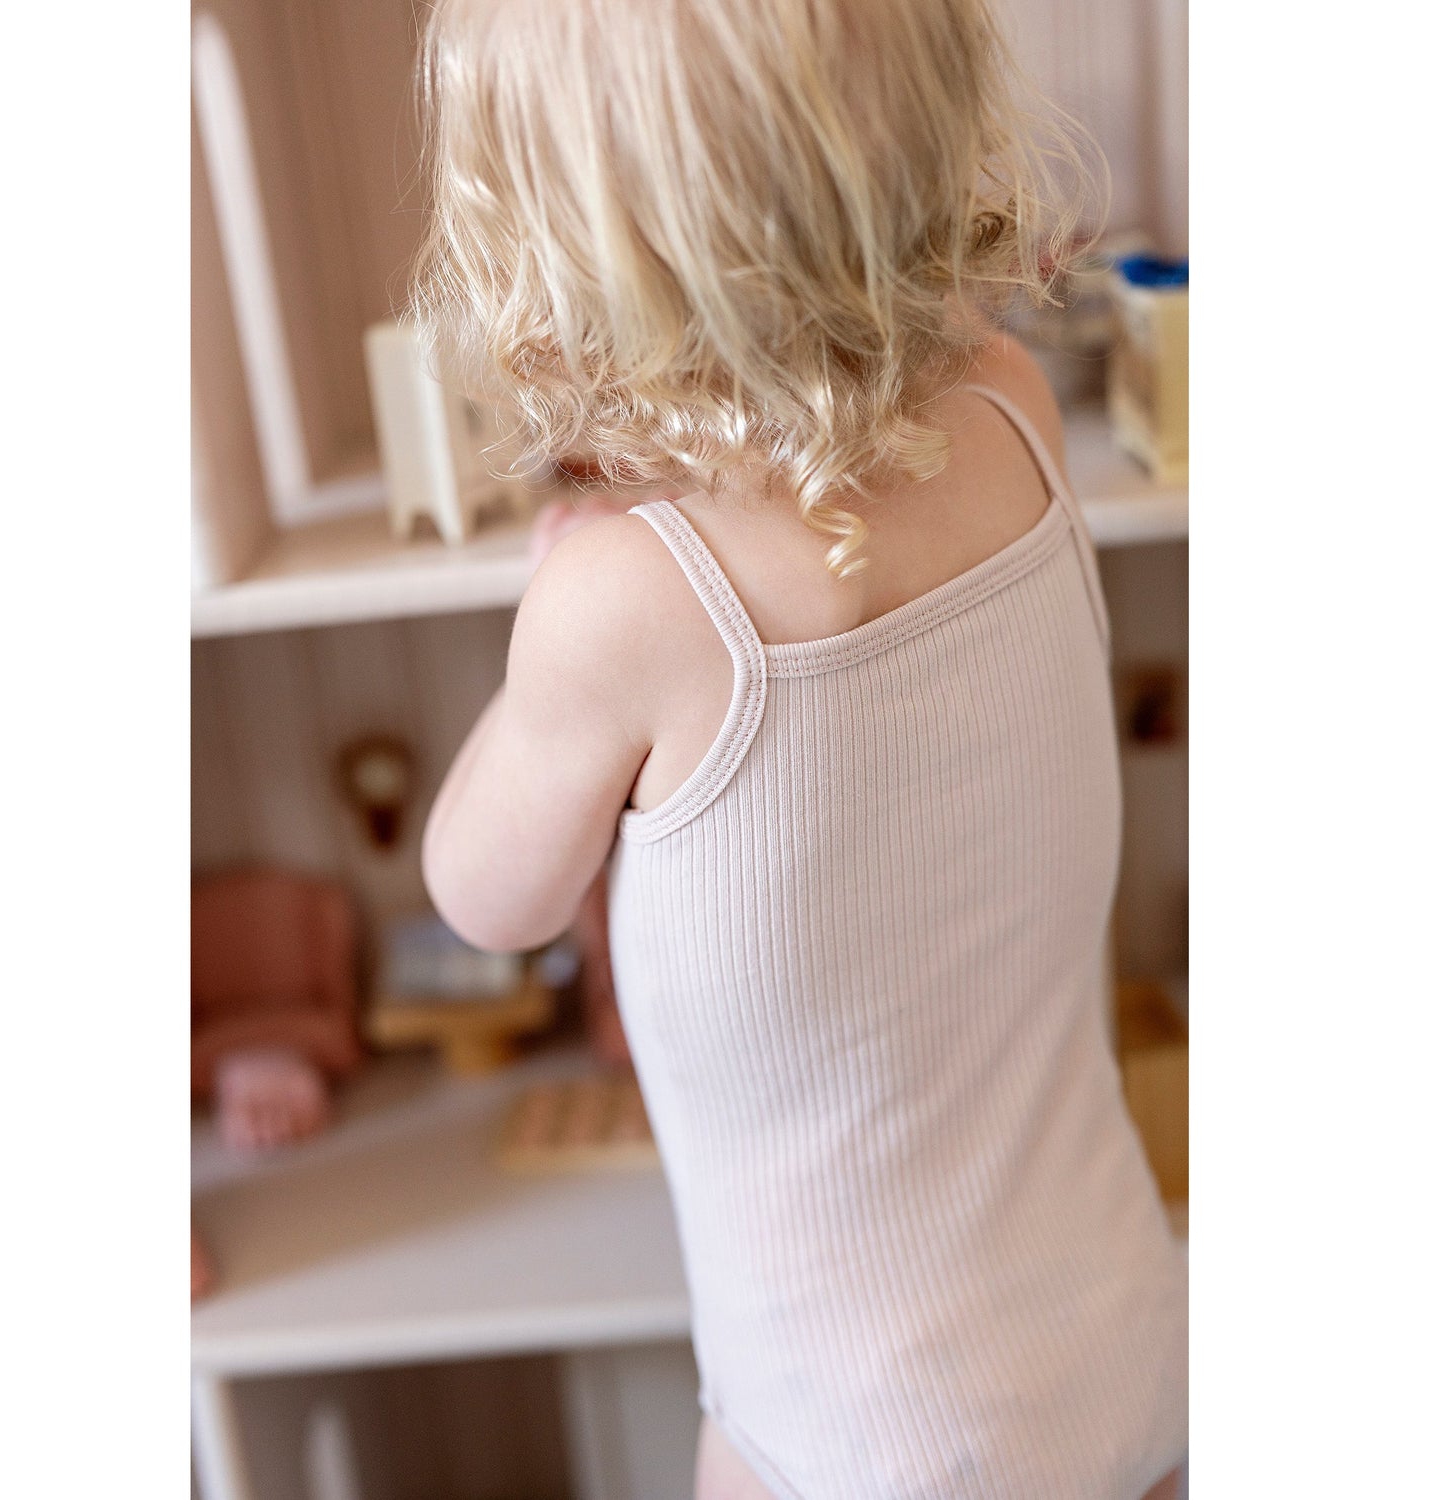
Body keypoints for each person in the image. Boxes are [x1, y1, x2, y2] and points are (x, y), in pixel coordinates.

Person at [416, 1, 1188, 1495]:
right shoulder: (1015, 409)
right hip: (1127, 1340)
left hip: (848, 1433)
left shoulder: (623, 600)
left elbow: (482, 895)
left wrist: (550, 640)